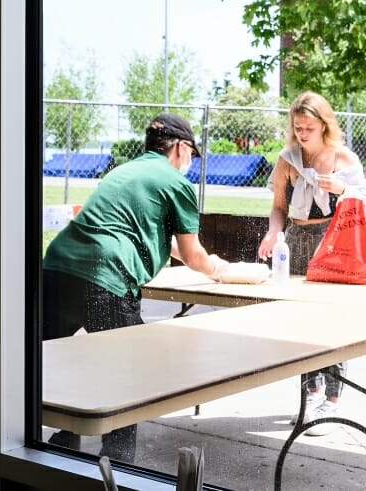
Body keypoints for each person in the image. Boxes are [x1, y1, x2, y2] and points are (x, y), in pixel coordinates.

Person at [42, 112, 230, 462]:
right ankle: (116, 464)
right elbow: (192, 254)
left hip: (57, 266)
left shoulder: (123, 171)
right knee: (128, 374)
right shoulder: (175, 183)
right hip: (105, 276)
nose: (190, 161)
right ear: (181, 148)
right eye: (191, 154)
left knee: (52, 363)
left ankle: (58, 446)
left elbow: (146, 232)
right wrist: (223, 270)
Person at [257, 91, 366, 436]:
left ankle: (333, 402)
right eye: (297, 127)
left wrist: (342, 187)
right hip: (296, 241)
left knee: (331, 322)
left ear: (325, 125)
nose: (303, 133)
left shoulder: (342, 158)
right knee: (298, 322)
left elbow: (364, 199)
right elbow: (279, 207)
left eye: (309, 127)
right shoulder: (287, 159)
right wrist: (272, 234)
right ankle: (312, 393)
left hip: (333, 241)